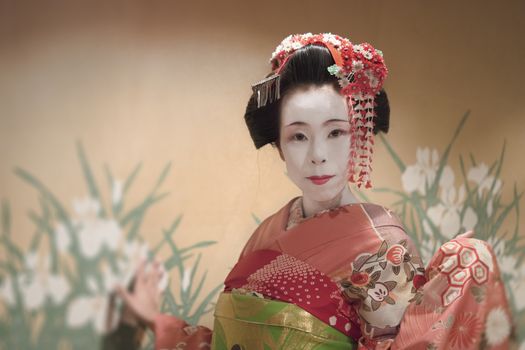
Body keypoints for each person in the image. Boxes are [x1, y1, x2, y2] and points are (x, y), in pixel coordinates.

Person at [107, 33, 512, 349]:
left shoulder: (385, 248)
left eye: (336, 132)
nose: (318, 156)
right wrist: (152, 319)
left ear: (360, 138)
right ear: (280, 146)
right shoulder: (268, 231)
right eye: (298, 137)